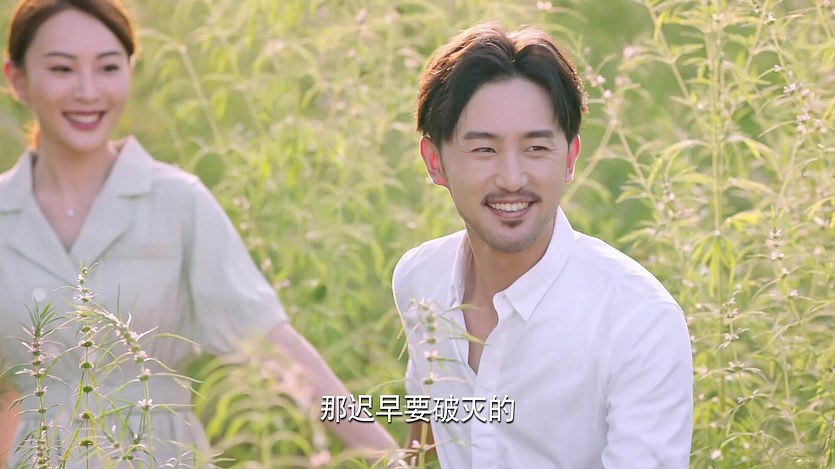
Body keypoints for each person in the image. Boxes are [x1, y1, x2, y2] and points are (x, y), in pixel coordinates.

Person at [0, 0, 396, 467]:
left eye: (108, 67)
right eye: (62, 69)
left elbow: (271, 343)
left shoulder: (178, 201)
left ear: (129, 71)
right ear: (17, 79)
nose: (88, 91)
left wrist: (389, 457)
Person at [392, 21, 693, 468]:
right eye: (484, 150)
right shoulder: (420, 280)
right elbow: (425, 440)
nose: (512, 179)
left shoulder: (638, 322)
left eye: (535, 149)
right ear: (435, 162)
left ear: (569, 158)